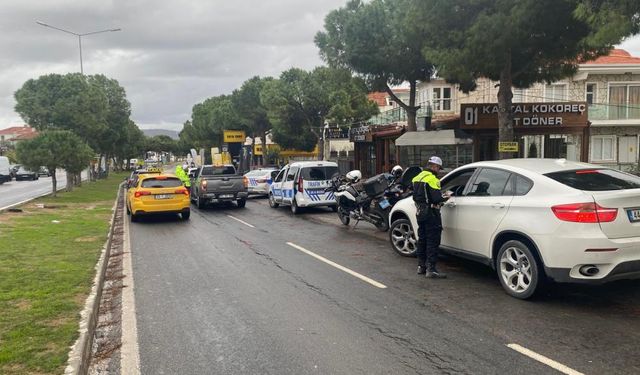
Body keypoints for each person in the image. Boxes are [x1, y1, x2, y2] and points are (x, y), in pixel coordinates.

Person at [412, 156, 450, 279]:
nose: (439, 170)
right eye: (439, 168)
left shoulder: (417, 178)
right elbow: (436, 198)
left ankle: (421, 266)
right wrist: (447, 197)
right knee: (432, 240)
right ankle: (431, 269)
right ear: (434, 166)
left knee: (422, 239)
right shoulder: (432, 179)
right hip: (431, 213)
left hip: (420, 212)